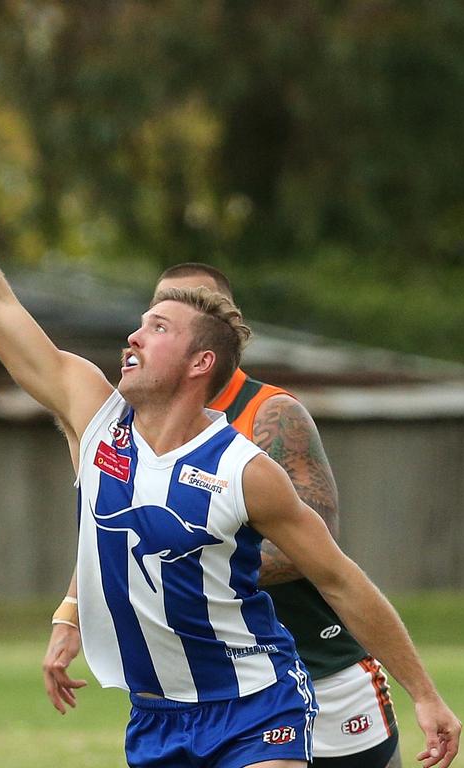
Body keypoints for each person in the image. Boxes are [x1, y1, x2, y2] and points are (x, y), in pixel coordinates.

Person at [0, 99, 461, 768]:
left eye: (160, 328)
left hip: (261, 705)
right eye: (141, 321)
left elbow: (341, 581)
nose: (134, 335)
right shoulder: (94, 416)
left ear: (202, 363)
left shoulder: (245, 468)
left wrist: (426, 695)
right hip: (159, 718)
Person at [45, 262, 403, 767]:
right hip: (205, 690)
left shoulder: (271, 413)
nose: (148, 331)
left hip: (314, 667)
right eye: (157, 312)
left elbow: (313, 549)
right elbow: (122, 531)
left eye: (184, 309)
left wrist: (191, 571)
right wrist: (72, 610)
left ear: (218, 330)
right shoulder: (137, 422)